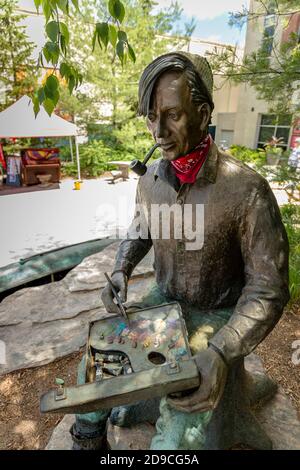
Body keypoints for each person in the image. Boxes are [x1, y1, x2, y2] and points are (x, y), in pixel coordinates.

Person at [70, 52, 289, 450]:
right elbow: (140, 229)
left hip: (219, 313)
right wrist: (122, 269)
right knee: (97, 361)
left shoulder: (247, 189)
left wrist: (222, 351)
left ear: (204, 114)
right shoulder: (151, 180)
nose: (159, 130)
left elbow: (269, 287)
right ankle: (87, 436)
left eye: (173, 115)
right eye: (152, 118)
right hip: (164, 302)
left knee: (178, 432)